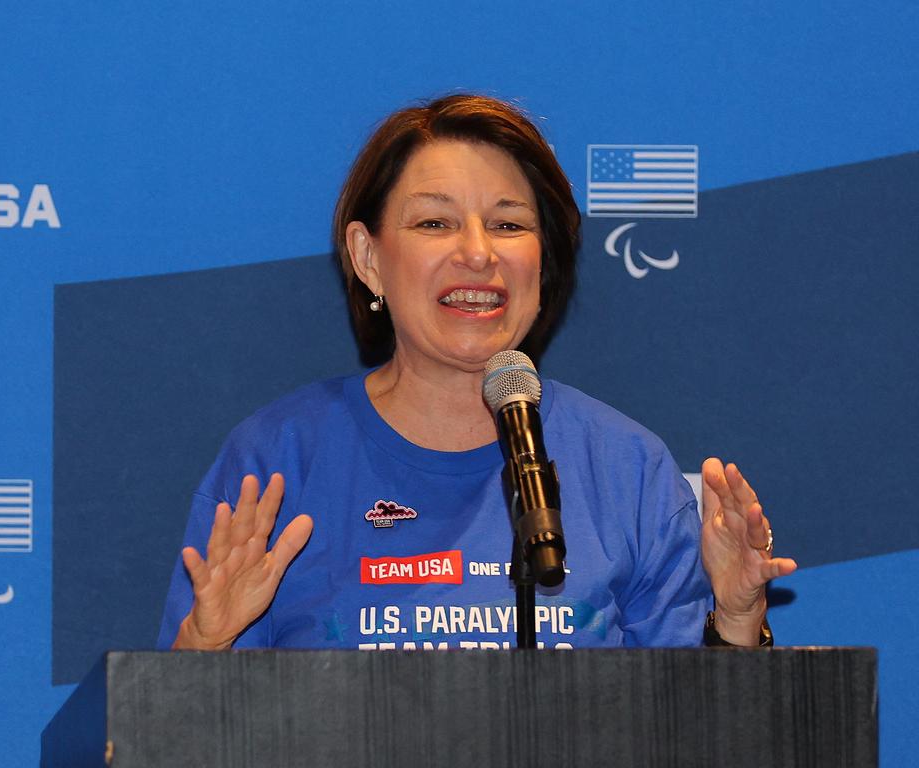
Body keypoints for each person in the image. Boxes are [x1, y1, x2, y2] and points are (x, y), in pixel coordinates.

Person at [157, 94, 796, 652]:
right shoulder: (278, 460)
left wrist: (738, 619)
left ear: (543, 264)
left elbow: (702, 730)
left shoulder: (627, 469)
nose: (477, 253)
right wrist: (205, 644)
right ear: (368, 258)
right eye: (434, 222)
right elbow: (176, 734)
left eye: (508, 224)